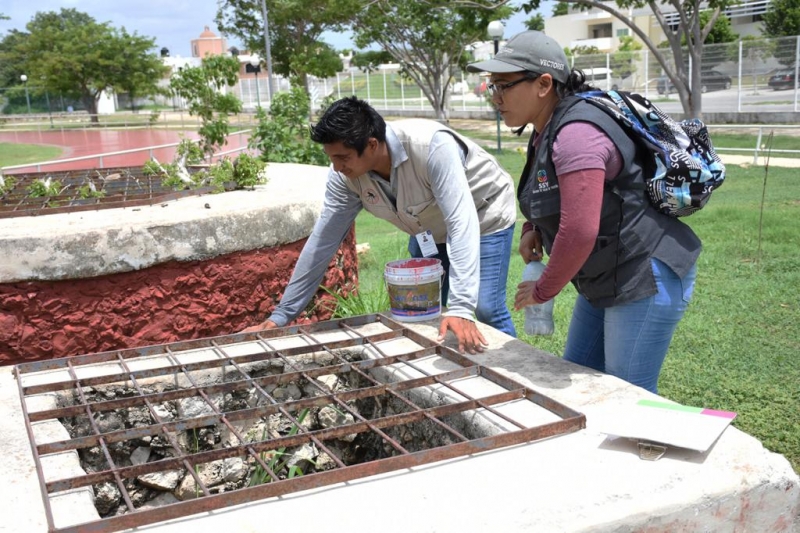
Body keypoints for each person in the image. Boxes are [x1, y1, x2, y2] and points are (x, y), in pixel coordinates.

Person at [467, 31, 701, 393]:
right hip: (606, 274)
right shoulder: (547, 127)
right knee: (578, 376)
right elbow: (552, 191)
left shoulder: (576, 135)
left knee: (628, 395)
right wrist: (533, 228)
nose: (495, 97)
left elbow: (579, 231)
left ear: (544, 84)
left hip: (644, 273)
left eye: (504, 86)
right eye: (492, 86)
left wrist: (543, 289)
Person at [243, 96, 518, 354]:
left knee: (484, 307)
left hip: (482, 215)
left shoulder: (433, 148)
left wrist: (461, 307)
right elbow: (323, 241)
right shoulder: (345, 177)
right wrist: (281, 316)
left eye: (343, 157)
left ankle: (512, 364)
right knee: (426, 309)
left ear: (372, 145)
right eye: (331, 158)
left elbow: (461, 221)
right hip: (428, 228)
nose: (336, 167)